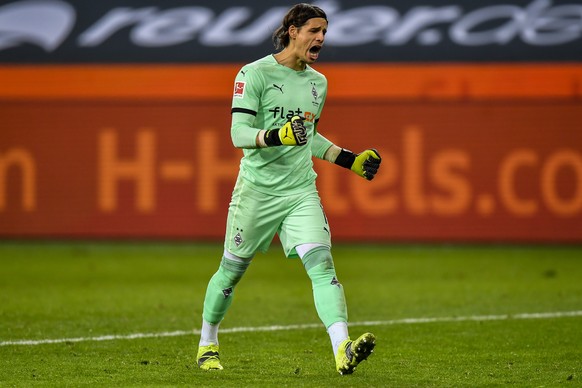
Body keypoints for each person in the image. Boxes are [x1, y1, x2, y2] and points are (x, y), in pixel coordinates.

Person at [196, 3, 381, 375]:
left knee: (322, 265)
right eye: (314, 30)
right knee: (231, 271)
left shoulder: (318, 83)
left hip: (300, 191)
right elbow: (238, 135)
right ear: (293, 31)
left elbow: (307, 136)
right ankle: (207, 343)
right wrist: (276, 135)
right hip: (257, 191)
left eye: (325, 32)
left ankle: (341, 348)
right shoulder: (254, 74)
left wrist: (349, 159)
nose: (321, 38)